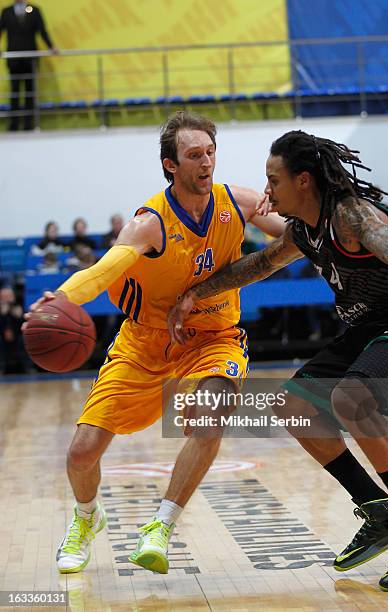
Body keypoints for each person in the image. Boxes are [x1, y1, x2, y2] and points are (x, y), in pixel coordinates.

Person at [23, 111, 285, 575]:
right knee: (82, 453)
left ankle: (161, 525)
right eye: (193, 155)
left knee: (210, 416)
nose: (206, 163)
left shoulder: (238, 203)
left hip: (214, 337)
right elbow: (104, 271)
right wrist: (61, 297)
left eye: (210, 152)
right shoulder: (149, 223)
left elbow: (298, 237)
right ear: (171, 165)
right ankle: (87, 518)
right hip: (145, 343)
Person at [168, 130, 388, 592]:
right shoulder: (305, 229)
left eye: (273, 180)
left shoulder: (353, 217)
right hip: (367, 328)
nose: (266, 192)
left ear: (303, 181)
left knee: (354, 400)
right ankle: (379, 512)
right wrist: (194, 294)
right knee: (294, 405)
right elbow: (258, 265)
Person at [0, 0, 58, 131]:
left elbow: (42, 31)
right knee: (14, 92)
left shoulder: (34, 10)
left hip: (30, 59)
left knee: (30, 92)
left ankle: (28, 124)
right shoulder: (6, 12)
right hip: (13, 59)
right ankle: (13, 125)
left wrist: (51, 46)